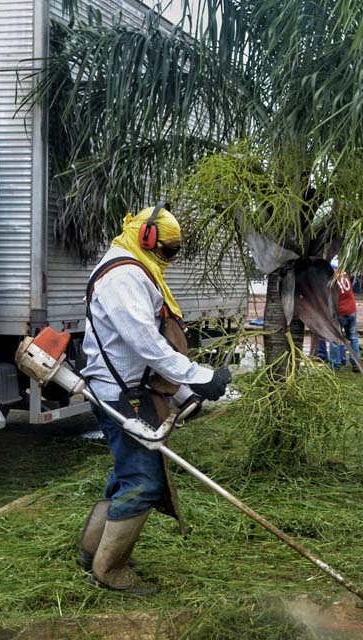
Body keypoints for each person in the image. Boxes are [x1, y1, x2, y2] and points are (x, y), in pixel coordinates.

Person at [78, 203, 231, 595]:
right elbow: (146, 345)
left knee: (126, 474)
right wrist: (202, 377)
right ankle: (108, 570)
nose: (170, 259)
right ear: (147, 239)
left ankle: (92, 551)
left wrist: (183, 392)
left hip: (131, 391)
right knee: (143, 481)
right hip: (120, 397)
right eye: (168, 250)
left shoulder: (138, 269)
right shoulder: (124, 275)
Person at [329, 259, 361, 369]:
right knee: (353, 337)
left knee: (335, 338)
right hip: (352, 309)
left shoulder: (331, 278)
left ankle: (335, 364)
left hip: (340, 312)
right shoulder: (344, 274)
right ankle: (356, 363)